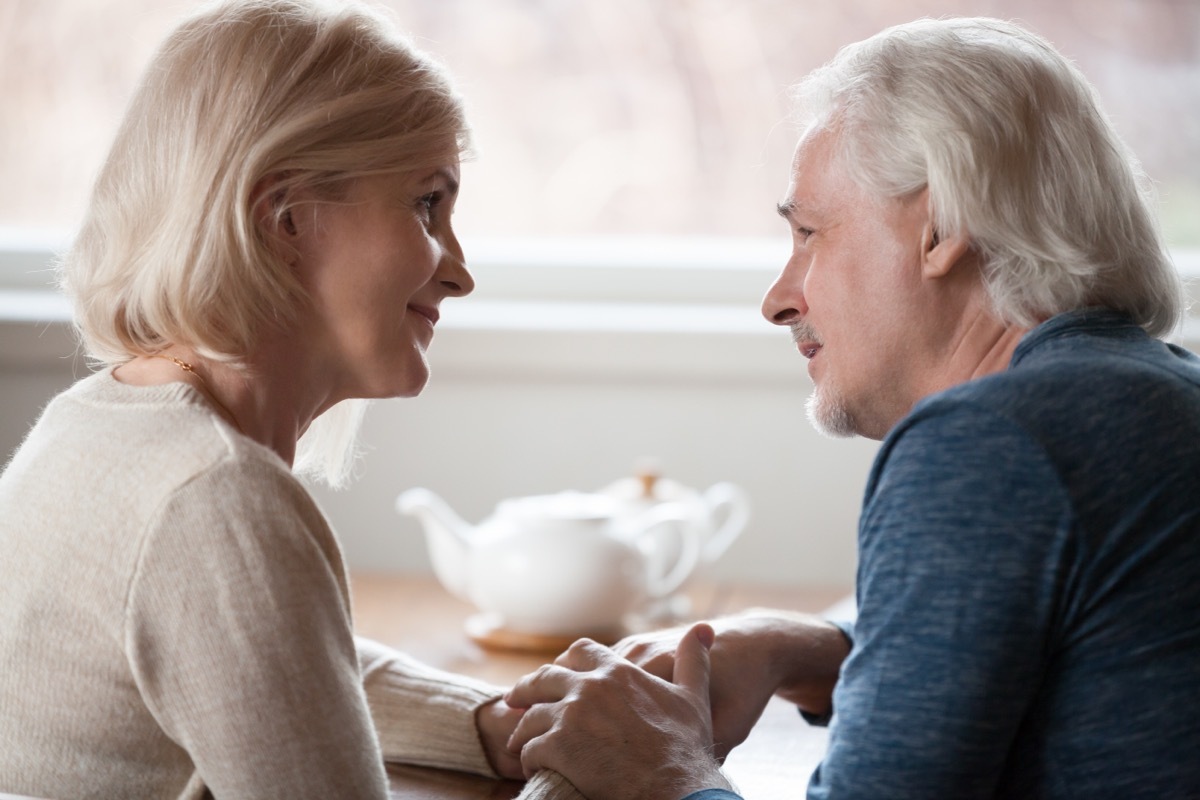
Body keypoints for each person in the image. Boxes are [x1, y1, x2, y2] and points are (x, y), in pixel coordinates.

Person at [504, 16, 1200, 800]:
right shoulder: (1159, 396)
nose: (777, 298)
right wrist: (799, 648)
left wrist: (659, 769)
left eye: (808, 233)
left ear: (939, 228)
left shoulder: (991, 445)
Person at [0, 1, 582, 797]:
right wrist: (612, 773)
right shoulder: (214, 503)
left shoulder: (90, 429)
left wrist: (507, 724)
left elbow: (281, 666)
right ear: (284, 218)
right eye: (426, 204)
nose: (459, 270)